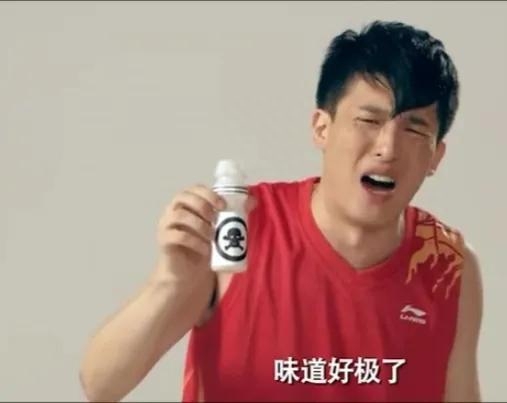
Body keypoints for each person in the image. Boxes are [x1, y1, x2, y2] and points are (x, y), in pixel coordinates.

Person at [79, 20, 483, 402]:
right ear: (322, 128)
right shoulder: (237, 224)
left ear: (436, 156)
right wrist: (169, 282)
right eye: (368, 120)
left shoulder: (448, 265)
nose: (388, 148)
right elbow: (101, 385)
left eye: (414, 129)